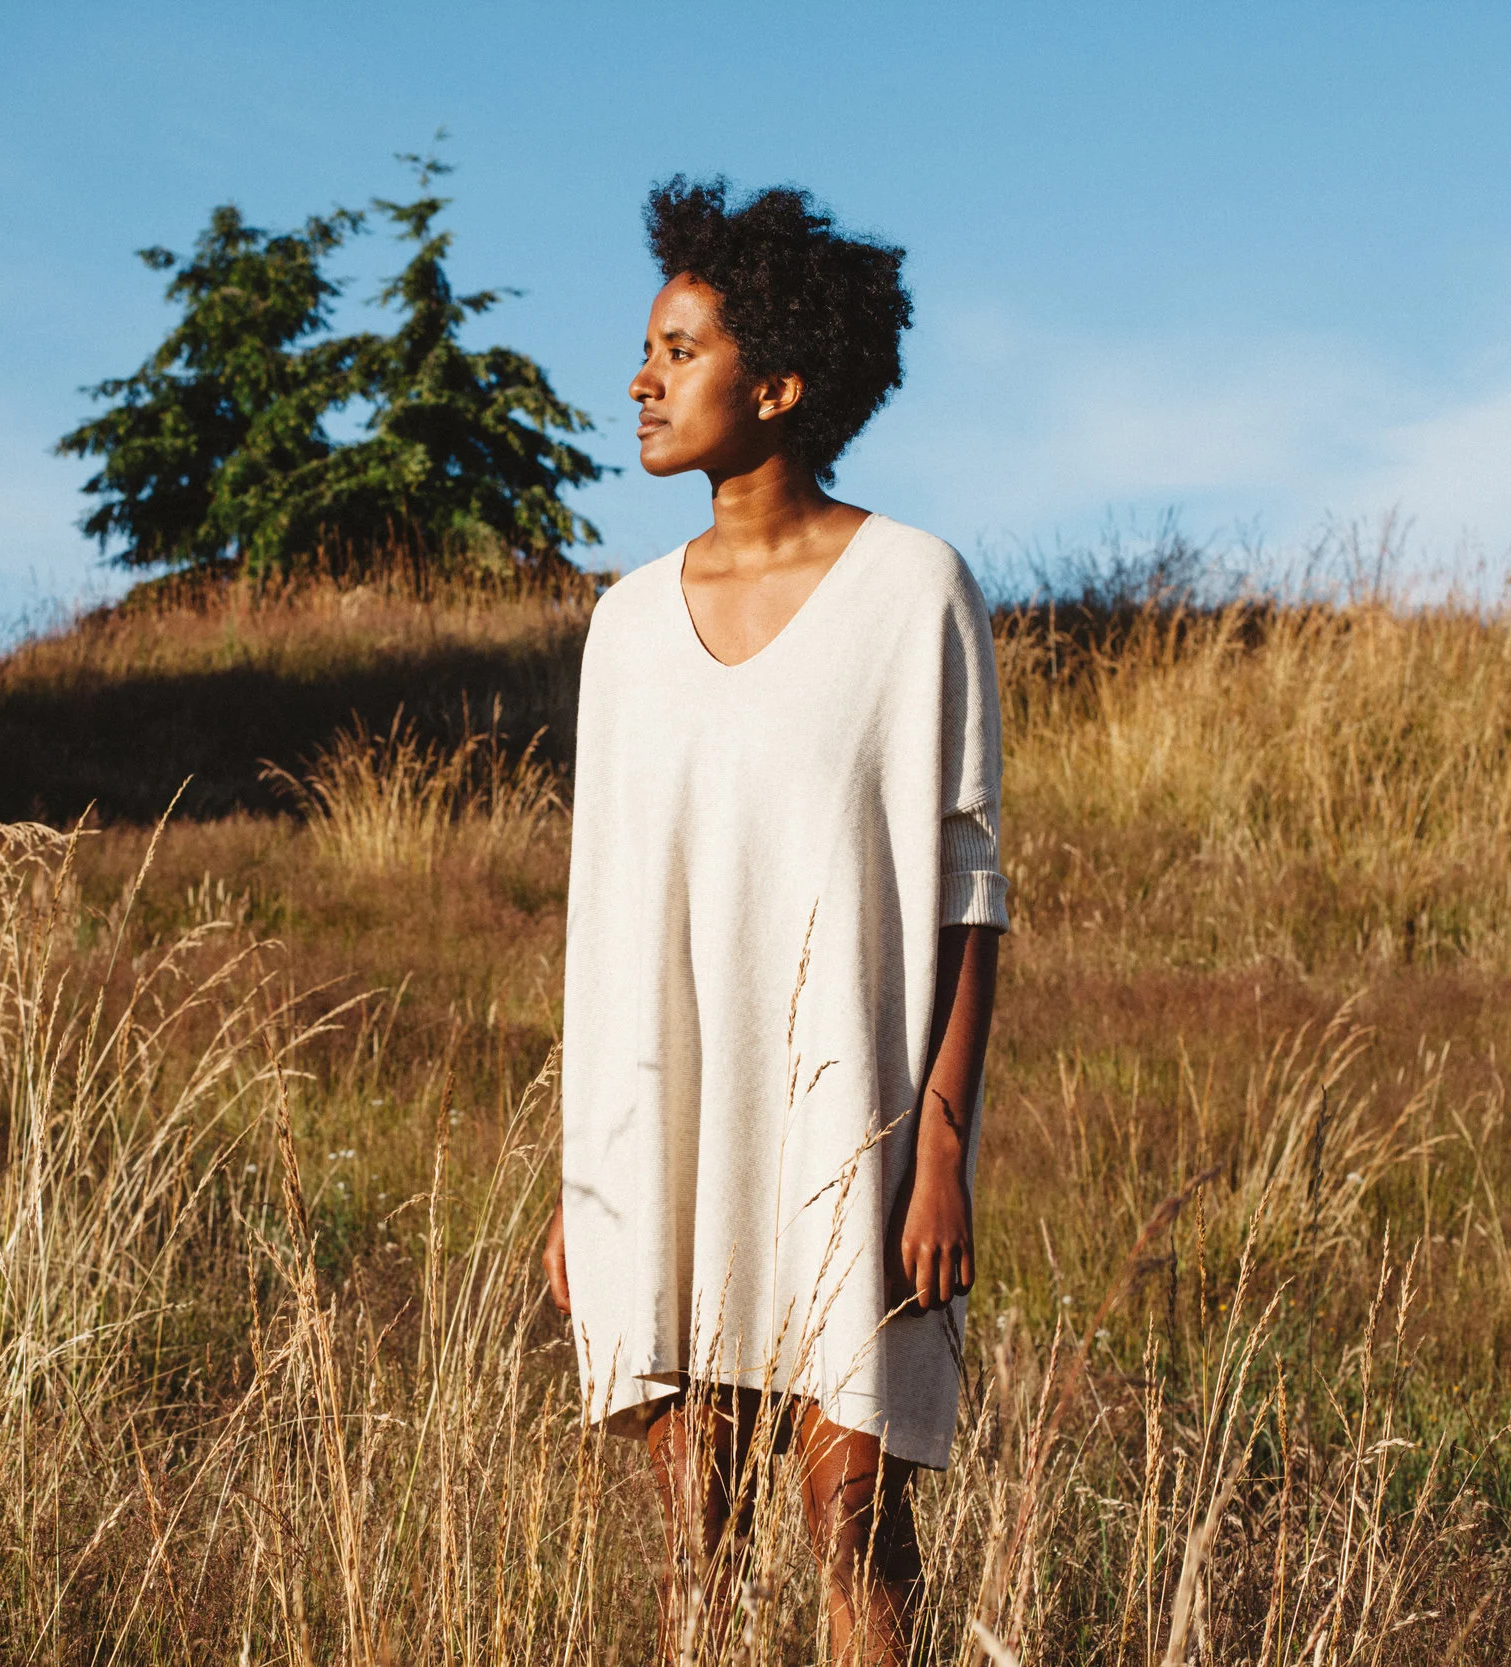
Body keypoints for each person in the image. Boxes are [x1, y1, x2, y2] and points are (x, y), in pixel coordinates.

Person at [541, 177, 1007, 1666]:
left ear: (782, 384)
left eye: (678, 350)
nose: (640, 379)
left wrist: (936, 1144)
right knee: (692, 1547)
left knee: (856, 1532)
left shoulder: (913, 590)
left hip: (850, 1134)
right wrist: (582, 1178)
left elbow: (971, 894)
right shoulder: (623, 625)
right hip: (664, 1130)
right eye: (649, 349)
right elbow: (602, 914)